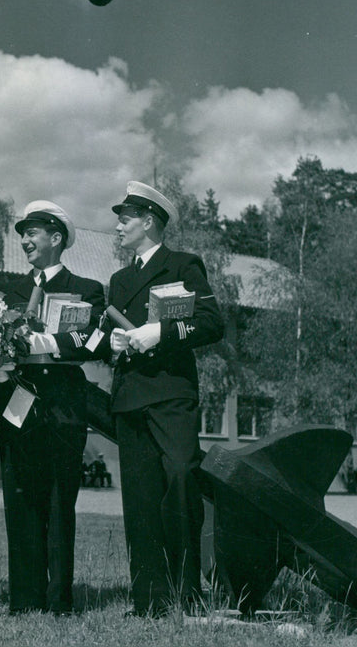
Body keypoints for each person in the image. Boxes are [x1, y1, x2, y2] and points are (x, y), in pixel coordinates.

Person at [103, 181, 224, 617]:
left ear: (149, 221)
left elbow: (212, 323)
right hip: (131, 397)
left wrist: (161, 332)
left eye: (125, 218)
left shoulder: (183, 265)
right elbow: (106, 337)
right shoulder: (118, 280)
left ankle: (187, 594)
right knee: (139, 499)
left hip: (171, 396)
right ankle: (149, 600)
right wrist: (112, 343)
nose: (117, 226)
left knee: (180, 482)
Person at [0, 200, 105, 615]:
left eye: (32, 232)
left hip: (64, 409)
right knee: (21, 503)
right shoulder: (9, 292)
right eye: (22, 234)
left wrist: (47, 343)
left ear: (56, 238)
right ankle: (24, 598)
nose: (24, 240)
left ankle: (59, 600)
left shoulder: (87, 289)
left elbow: (90, 341)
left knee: (58, 503)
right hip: (18, 406)